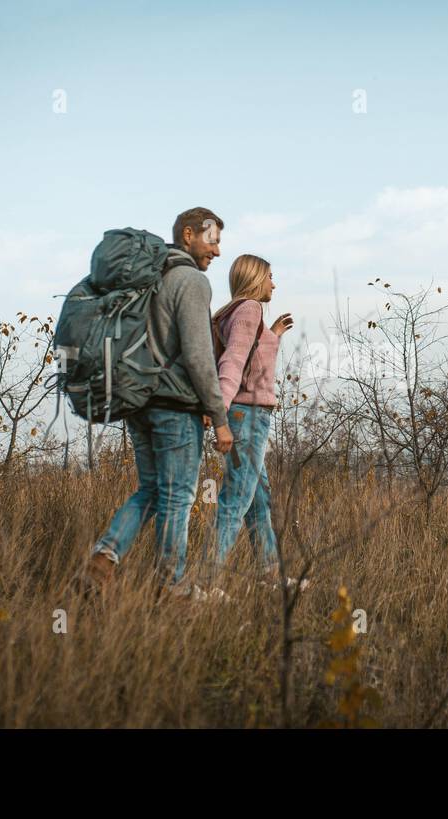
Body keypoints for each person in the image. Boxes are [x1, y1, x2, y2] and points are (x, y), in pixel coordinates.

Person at [82, 207, 233, 592]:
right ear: (187, 235)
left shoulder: (148, 278)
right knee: (179, 498)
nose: (216, 252)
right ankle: (169, 587)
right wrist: (218, 416)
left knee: (151, 490)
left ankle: (103, 558)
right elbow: (199, 357)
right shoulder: (190, 282)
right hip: (175, 407)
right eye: (212, 240)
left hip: (138, 403)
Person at [212, 254, 293, 583]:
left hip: (246, 414)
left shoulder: (235, 314)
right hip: (247, 416)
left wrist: (271, 336)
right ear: (256, 279)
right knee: (236, 498)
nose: (274, 283)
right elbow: (231, 363)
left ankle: (270, 572)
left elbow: (247, 357)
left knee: (259, 497)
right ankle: (205, 580)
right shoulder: (249, 310)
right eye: (270, 276)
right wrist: (218, 413)